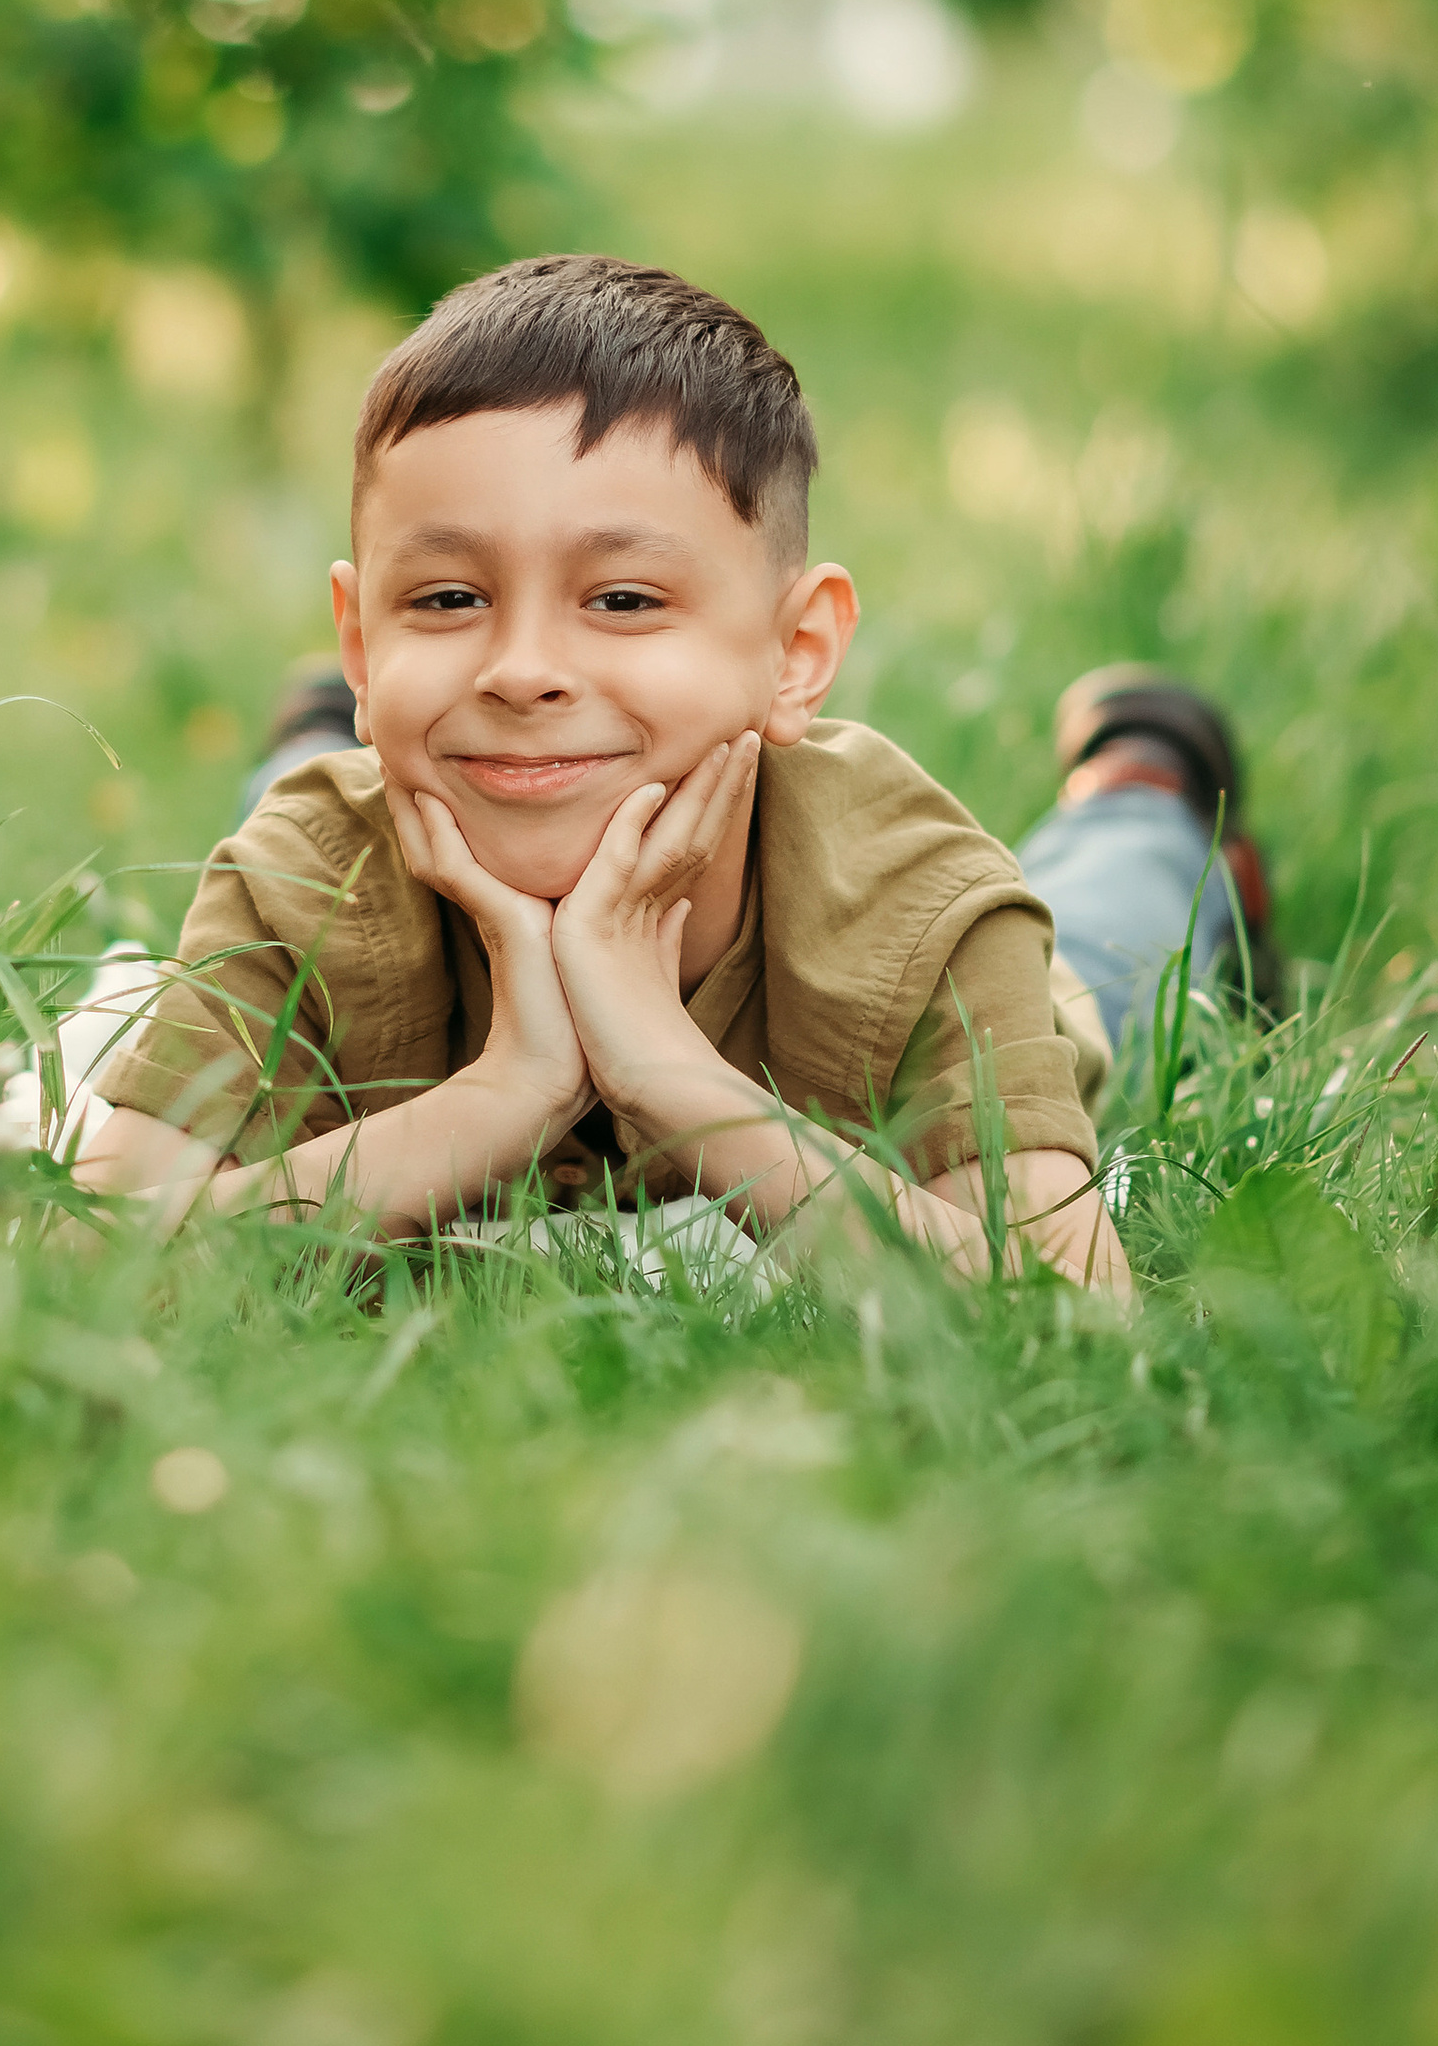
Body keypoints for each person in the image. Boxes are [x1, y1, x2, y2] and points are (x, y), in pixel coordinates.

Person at [79, 255, 1216, 1293]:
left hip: (1020, 968)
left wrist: (672, 1077)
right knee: (320, 796)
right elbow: (92, 1254)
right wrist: (502, 1096)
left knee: (1109, 932)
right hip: (397, 783)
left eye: (621, 600)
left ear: (795, 654)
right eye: (446, 598)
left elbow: (1070, 1308)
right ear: (364, 639)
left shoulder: (912, 900)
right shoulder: (307, 871)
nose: (523, 669)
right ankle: (323, 728)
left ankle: (1137, 785)